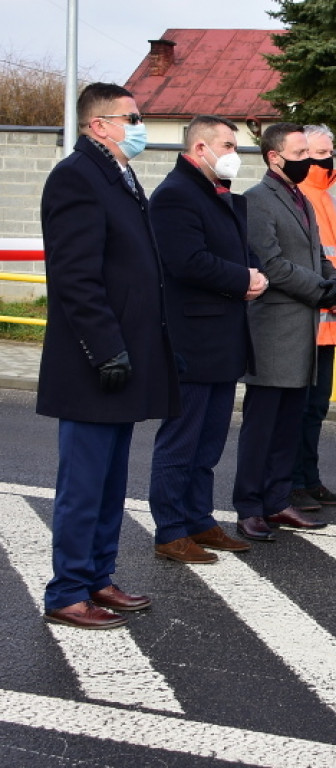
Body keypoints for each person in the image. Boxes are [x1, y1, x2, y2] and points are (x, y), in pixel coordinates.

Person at [37, 82, 180, 629]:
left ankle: (98, 575)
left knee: (110, 481)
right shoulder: (76, 177)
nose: (140, 126)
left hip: (124, 356)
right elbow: (75, 278)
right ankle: (67, 590)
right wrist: (105, 350)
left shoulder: (117, 174)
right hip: (94, 361)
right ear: (100, 125)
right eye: (133, 117)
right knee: (83, 484)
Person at [147, 115, 266, 564]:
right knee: (182, 439)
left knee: (210, 440)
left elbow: (242, 252)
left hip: (224, 338)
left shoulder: (221, 197)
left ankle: (198, 519)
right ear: (200, 148)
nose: (234, 153)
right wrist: (242, 279)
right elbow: (186, 261)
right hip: (191, 339)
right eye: (228, 145)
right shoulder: (175, 196)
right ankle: (170, 530)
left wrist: (255, 275)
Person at [232, 122, 336, 542]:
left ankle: (277, 501)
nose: (310, 162)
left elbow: (318, 254)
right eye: (300, 155)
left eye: (310, 154)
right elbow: (273, 264)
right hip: (273, 333)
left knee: (288, 425)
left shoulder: (301, 199)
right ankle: (249, 507)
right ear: (274, 158)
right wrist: (323, 291)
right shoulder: (257, 201)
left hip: (303, 334)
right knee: (262, 426)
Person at [288, 124, 336, 512]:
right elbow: (303, 261)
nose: (326, 158)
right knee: (298, 409)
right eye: (319, 152)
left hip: (332, 321)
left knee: (316, 408)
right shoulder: (300, 195)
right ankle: (292, 483)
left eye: (329, 150)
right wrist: (332, 296)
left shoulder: (329, 199)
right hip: (308, 321)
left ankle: (309, 480)